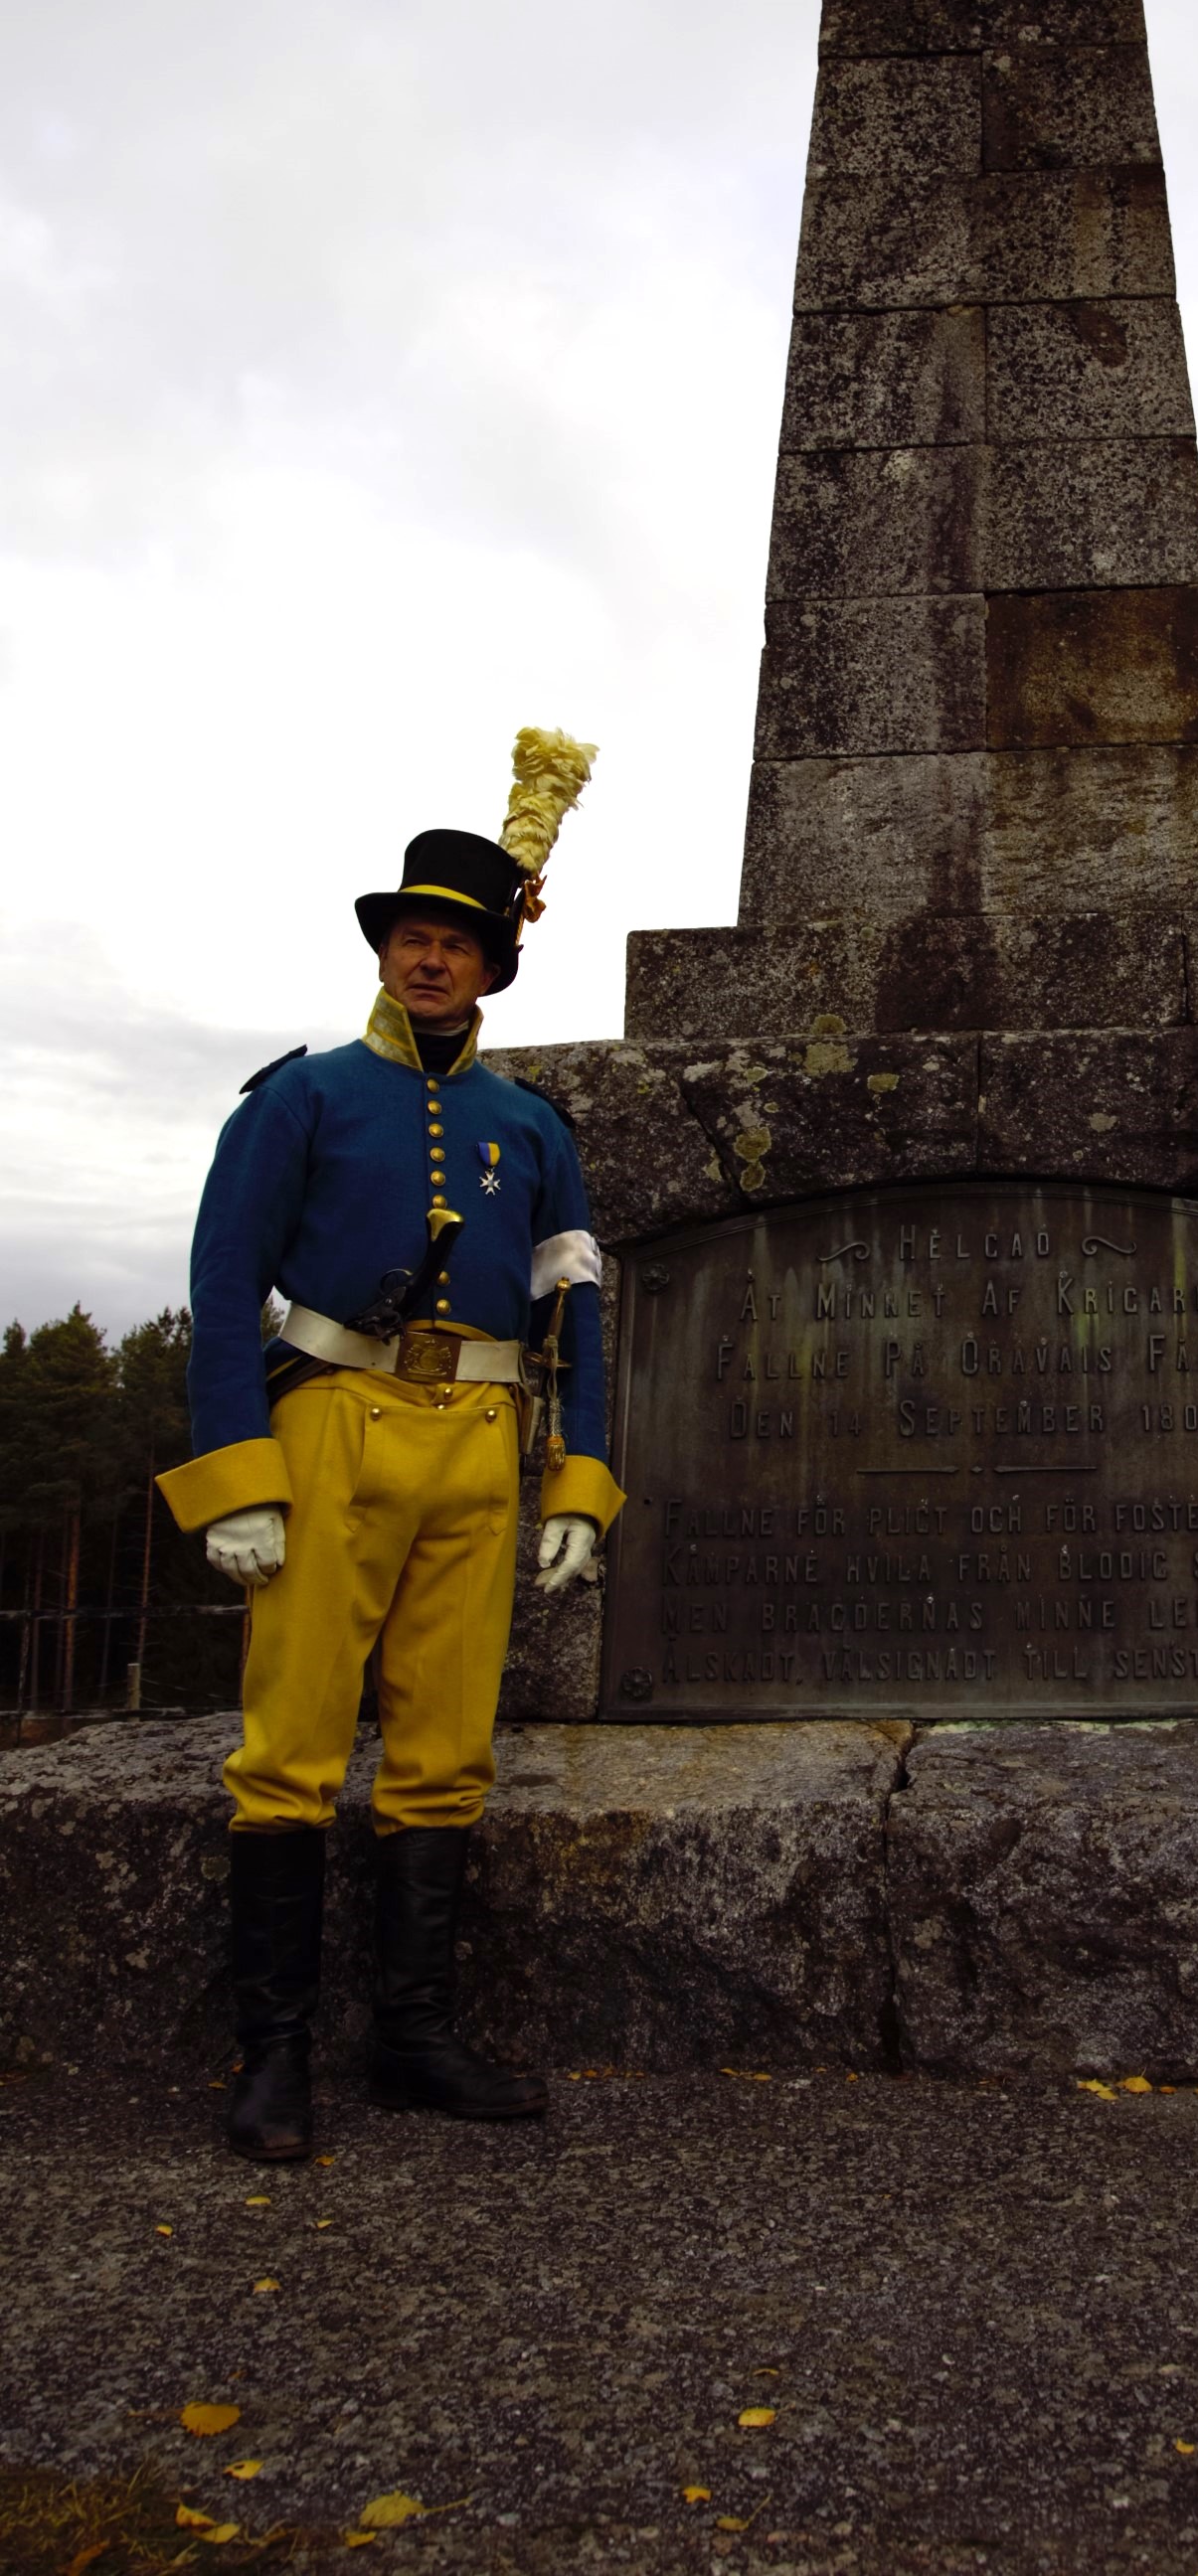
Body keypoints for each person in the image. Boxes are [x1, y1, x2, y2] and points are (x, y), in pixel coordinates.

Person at [159, 728, 622, 2163]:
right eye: (414, 937)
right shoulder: (299, 1099)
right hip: (331, 1429)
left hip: (481, 1443)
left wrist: (581, 1484)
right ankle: (273, 2057)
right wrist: (235, 1474)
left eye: (458, 944)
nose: (431, 961)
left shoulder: (529, 1126)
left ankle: (415, 2038)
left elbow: (576, 1310)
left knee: (443, 1752)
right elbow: (223, 1283)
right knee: (291, 1749)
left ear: (492, 967)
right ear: (387, 950)